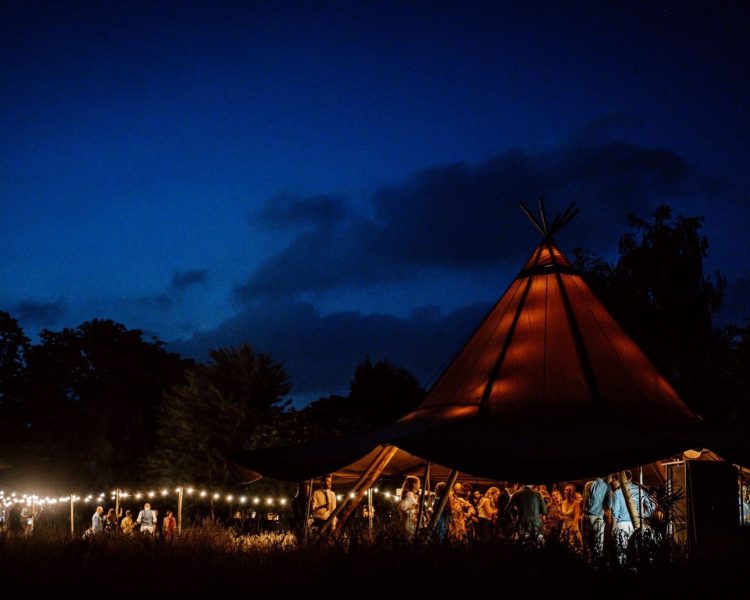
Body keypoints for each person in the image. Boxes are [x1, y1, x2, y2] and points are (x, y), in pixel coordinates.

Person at [581, 476, 611, 563]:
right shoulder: (607, 487)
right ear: (608, 476)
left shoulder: (588, 484)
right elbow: (608, 507)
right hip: (597, 518)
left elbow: (584, 498)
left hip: (585, 516)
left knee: (585, 545)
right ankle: (596, 567)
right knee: (598, 546)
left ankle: (585, 564)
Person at [398, 475, 421, 540]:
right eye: (419, 483)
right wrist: (414, 506)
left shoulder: (411, 495)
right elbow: (401, 507)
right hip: (409, 523)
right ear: (414, 484)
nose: (420, 485)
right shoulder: (409, 494)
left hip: (410, 522)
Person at [560, 484, 582, 549]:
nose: (568, 491)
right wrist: (561, 517)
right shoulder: (562, 503)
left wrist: (572, 526)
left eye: (570, 490)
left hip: (573, 526)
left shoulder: (576, 503)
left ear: (573, 492)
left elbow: (577, 515)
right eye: (566, 490)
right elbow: (561, 515)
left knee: (573, 546)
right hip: (564, 526)